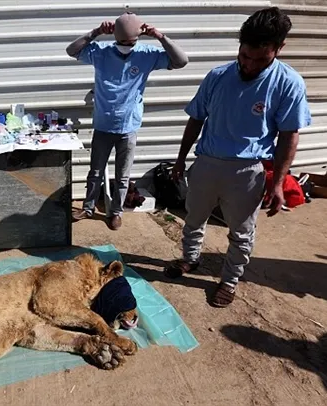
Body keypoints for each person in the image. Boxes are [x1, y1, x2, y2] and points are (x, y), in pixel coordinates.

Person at [165, 7, 312, 307]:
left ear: (278, 49)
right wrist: (181, 159)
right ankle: (189, 259)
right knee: (193, 218)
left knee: (241, 232)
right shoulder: (217, 76)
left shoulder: (288, 84)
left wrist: (279, 184)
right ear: (240, 46)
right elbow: (196, 118)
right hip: (206, 163)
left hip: (248, 170)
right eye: (245, 56)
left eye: (260, 59)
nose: (250, 65)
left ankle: (229, 280)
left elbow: (289, 136)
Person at [66, 12, 188, 231]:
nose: (126, 46)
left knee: (123, 176)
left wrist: (160, 36)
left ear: (138, 39)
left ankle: (116, 212)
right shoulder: (101, 52)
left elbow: (181, 61)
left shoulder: (147, 54)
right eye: (122, 42)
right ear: (114, 37)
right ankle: (88, 207)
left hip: (128, 126)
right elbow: (71, 50)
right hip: (103, 125)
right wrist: (95, 32)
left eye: (130, 42)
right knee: (95, 172)